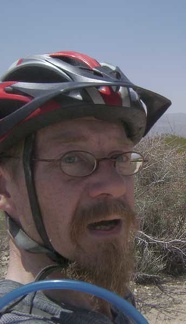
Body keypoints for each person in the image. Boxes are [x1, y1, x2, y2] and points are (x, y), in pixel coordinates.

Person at [0, 51, 171, 322]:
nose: (115, 186)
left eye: (121, 158)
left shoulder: (113, 297)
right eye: (72, 159)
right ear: (5, 188)